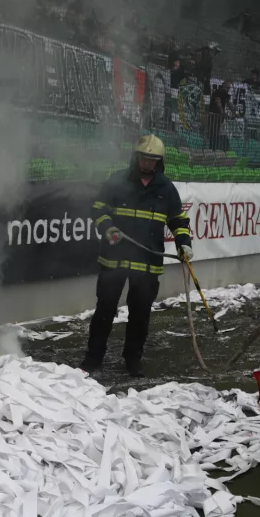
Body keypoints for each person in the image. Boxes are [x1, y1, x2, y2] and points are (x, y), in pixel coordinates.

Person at [81, 134, 193, 378]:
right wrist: (107, 227)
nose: (147, 164)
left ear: (159, 162)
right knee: (104, 311)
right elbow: (98, 209)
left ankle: (133, 360)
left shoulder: (166, 189)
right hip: (114, 260)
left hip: (147, 265)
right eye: (144, 158)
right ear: (136, 158)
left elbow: (178, 221)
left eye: (152, 160)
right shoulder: (117, 181)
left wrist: (184, 244)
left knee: (140, 316)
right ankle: (93, 358)